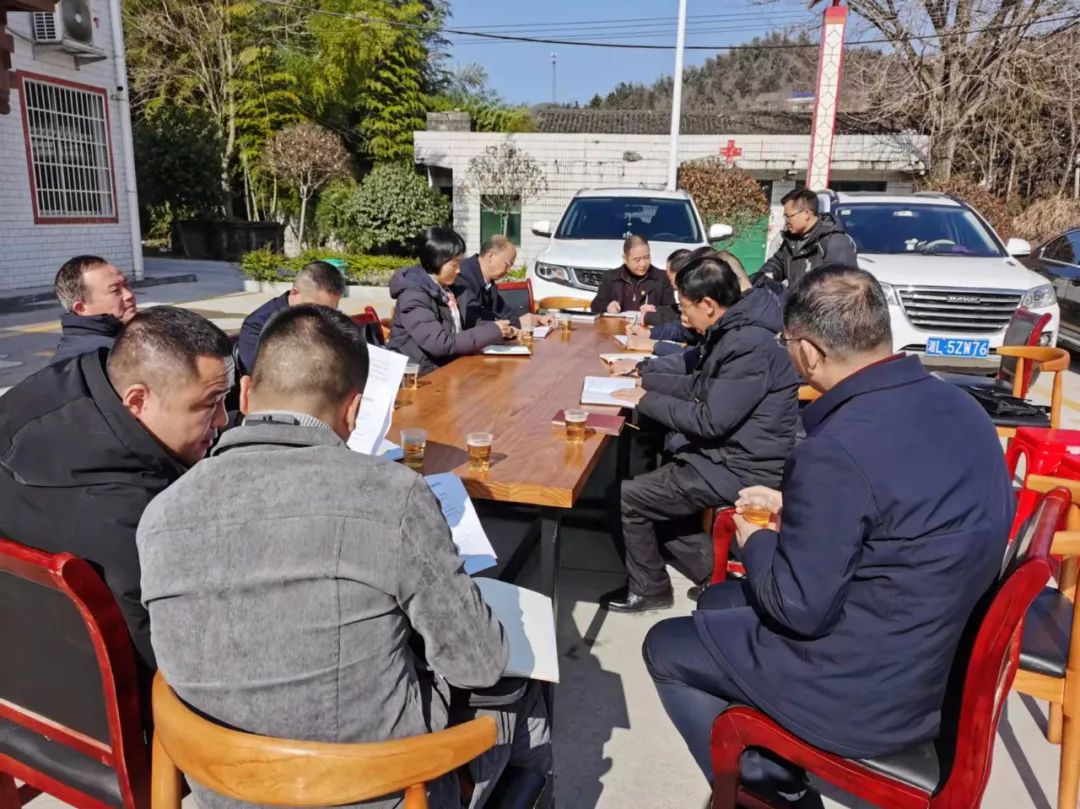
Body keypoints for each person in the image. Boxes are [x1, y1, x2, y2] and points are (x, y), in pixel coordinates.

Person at [138, 305, 551, 809]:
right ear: (355, 412)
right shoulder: (393, 495)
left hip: (220, 792)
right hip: (383, 792)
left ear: (244, 394)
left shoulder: (161, 513)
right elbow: (478, 664)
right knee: (527, 696)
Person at [642, 266, 1014, 807]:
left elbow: (799, 609)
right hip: (932, 657)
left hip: (864, 693)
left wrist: (755, 535)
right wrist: (796, 507)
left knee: (666, 646)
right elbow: (898, 510)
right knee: (719, 602)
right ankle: (772, 768)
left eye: (787, 343)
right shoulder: (960, 406)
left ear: (809, 353)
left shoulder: (836, 448)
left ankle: (772, 795)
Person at [0, 307, 234, 671]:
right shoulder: (136, 518)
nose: (222, 420)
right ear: (137, 400)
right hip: (99, 689)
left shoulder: (49, 389)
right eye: (210, 404)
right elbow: (179, 659)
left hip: (24, 667)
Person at [599, 248, 800, 613]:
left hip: (743, 466)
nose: (683, 316)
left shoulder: (748, 344)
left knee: (627, 496)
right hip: (726, 454)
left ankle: (650, 589)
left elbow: (710, 419)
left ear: (708, 304)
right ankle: (712, 573)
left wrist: (645, 400)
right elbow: (699, 385)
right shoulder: (733, 330)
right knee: (651, 491)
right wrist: (644, 381)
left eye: (685, 307)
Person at [388, 227, 515, 375]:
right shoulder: (413, 296)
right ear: (436, 261)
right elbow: (439, 343)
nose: (459, 270)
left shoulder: (449, 289)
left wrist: (500, 329)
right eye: (454, 264)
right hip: (421, 377)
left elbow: (472, 321)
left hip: (449, 368)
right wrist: (491, 331)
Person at [628, 250, 753, 357]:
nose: (684, 315)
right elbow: (686, 332)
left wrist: (655, 346)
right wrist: (650, 334)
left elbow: (701, 360)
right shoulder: (735, 319)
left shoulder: (744, 336)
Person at [236, 260, 346, 374]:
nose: (323, 317)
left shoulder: (330, 320)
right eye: (315, 309)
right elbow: (262, 376)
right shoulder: (257, 326)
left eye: (330, 311)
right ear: (294, 293)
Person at [754, 188, 857, 292]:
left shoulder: (835, 242)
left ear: (807, 213)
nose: (786, 221)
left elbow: (843, 287)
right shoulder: (791, 241)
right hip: (794, 301)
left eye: (789, 216)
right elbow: (776, 265)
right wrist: (760, 279)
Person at [454, 234, 553, 330]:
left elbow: (503, 312)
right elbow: (474, 318)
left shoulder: (488, 282)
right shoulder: (462, 275)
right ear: (491, 256)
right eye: (507, 264)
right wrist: (517, 323)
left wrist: (536, 319)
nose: (508, 270)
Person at [51, 255, 138, 365]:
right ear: (81, 308)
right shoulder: (93, 360)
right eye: (115, 290)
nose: (129, 295)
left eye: (126, 284)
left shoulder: (120, 338)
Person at [589, 235, 676, 318]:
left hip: (649, 327)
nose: (643, 264)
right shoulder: (611, 277)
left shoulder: (662, 278)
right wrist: (608, 307)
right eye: (637, 260)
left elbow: (672, 310)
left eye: (647, 258)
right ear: (625, 259)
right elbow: (596, 305)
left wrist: (655, 310)